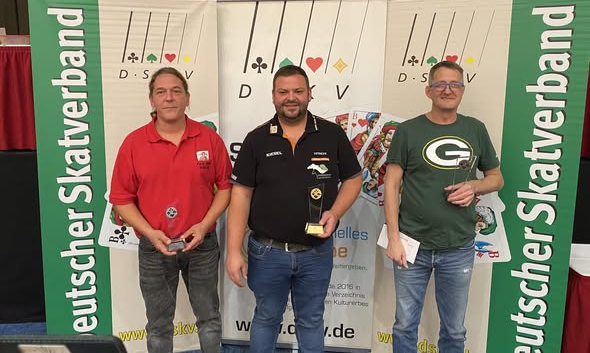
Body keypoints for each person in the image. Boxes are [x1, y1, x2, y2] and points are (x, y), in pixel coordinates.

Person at [225, 65, 362, 353]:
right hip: (267, 252)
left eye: (298, 91)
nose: (291, 98)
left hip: (316, 251)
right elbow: (241, 195)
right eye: (283, 92)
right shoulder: (257, 139)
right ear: (273, 96)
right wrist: (233, 250)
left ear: (310, 94)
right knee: (266, 318)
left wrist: (335, 213)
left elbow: (353, 178)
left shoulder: (332, 134)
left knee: (311, 321)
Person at [109, 67, 232, 353]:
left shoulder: (209, 139)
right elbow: (121, 200)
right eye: (161, 92)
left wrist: (204, 226)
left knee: (209, 319)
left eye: (176, 91)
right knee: (158, 324)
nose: (169, 98)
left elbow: (226, 188)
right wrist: (150, 233)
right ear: (151, 100)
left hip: (201, 245)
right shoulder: (133, 143)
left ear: (187, 98)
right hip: (154, 248)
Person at [383, 61, 504, 353]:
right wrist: (394, 239)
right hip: (411, 245)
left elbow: (496, 179)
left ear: (462, 90)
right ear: (429, 90)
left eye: (455, 84)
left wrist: (473, 186)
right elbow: (391, 185)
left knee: (454, 330)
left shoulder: (475, 129)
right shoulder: (408, 130)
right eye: (440, 84)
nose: (448, 90)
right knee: (404, 325)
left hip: (458, 247)